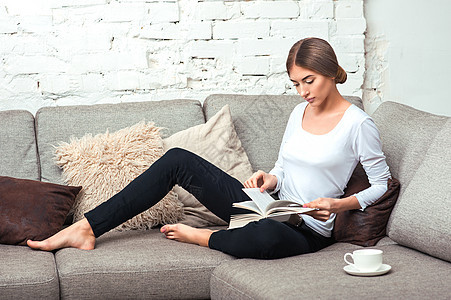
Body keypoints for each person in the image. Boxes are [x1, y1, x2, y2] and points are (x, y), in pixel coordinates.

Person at [27, 37, 391, 259]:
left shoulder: (358, 124)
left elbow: (381, 185)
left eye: (308, 81)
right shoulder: (298, 112)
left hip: (304, 228)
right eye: (296, 83)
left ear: (330, 72)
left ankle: (204, 236)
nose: (303, 92)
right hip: (267, 207)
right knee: (176, 160)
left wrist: (338, 205)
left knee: (264, 237)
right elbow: (282, 167)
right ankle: (89, 228)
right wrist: (269, 179)